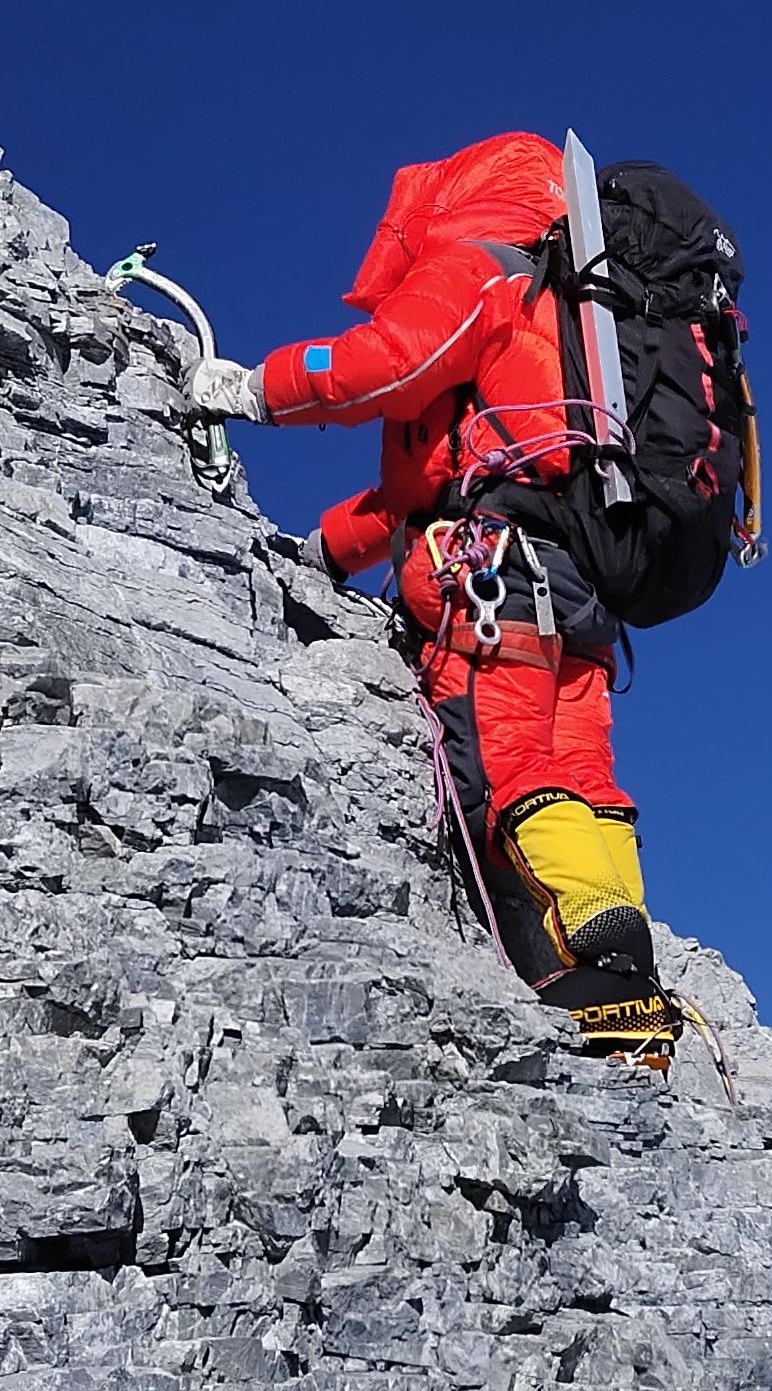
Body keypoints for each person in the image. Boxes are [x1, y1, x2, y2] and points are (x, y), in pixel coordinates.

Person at [188, 132, 682, 1065]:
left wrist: (253, 389)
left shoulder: (484, 265)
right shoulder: (581, 312)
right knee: (582, 770)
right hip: (580, 588)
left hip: (495, 583)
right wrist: (324, 552)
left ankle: (601, 964)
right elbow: (428, 490)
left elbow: (390, 361)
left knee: (511, 769)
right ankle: (633, 997)